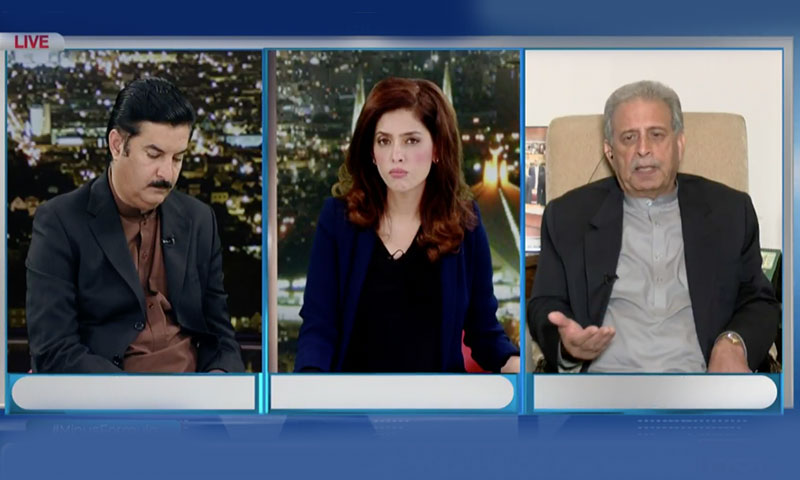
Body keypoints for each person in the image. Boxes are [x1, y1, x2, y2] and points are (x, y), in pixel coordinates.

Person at [527, 80, 780, 373]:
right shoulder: (568, 216)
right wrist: (567, 346)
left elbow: (758, 300)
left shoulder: (730, 211)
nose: (643, 149)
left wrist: (732, 344)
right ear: (610, 151)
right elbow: (545, 303)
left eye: (656, 135)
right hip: (602, 387)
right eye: (629, 137)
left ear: (679, 143)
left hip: (701, 385)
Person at [294, 77, 520, 373]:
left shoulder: (465, 223)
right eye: (384, 141)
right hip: (354, 396)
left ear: (437, 148)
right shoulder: (337, 220)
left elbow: (484, 333)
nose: (396, 155)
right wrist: (309, 387)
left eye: (411, 140)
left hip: (437, 398)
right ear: (371, 152)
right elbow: (319, 327)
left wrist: (516, 366)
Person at [26, 77, 244, 373]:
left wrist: (219, 381)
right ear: (117, 145)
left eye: (178, 158)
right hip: (107, 394)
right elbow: (54, 350)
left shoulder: (199, 220)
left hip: (194, 392)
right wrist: (129, 393)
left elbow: (221, 338)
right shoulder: (60, 222)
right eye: (154, 155)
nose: (167, 173)